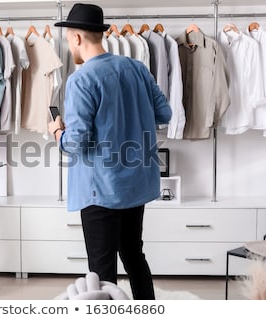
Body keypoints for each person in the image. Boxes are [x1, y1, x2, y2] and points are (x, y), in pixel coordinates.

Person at [49, 3, 172, 300]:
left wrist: (57, 133)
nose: (69, 46)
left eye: (68, 40)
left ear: (77, 38)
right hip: (135, 185)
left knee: (101, 272)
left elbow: (76, 142)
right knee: (134, 257)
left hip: (100, 190)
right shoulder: (137, 68)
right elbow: (165, 113)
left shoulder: (81, 79)